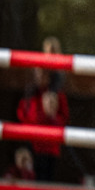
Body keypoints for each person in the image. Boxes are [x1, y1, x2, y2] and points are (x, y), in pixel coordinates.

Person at [15, 36, 69, 181]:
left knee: (45, 181)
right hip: (32, 144)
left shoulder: (57, 94)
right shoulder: (30, 94)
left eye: (43, 73)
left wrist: (51, 116)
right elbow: (21, 113)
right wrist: (27, 127)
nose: (40, 76)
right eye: (37, 73)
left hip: (49, 147)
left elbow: (63, 118)